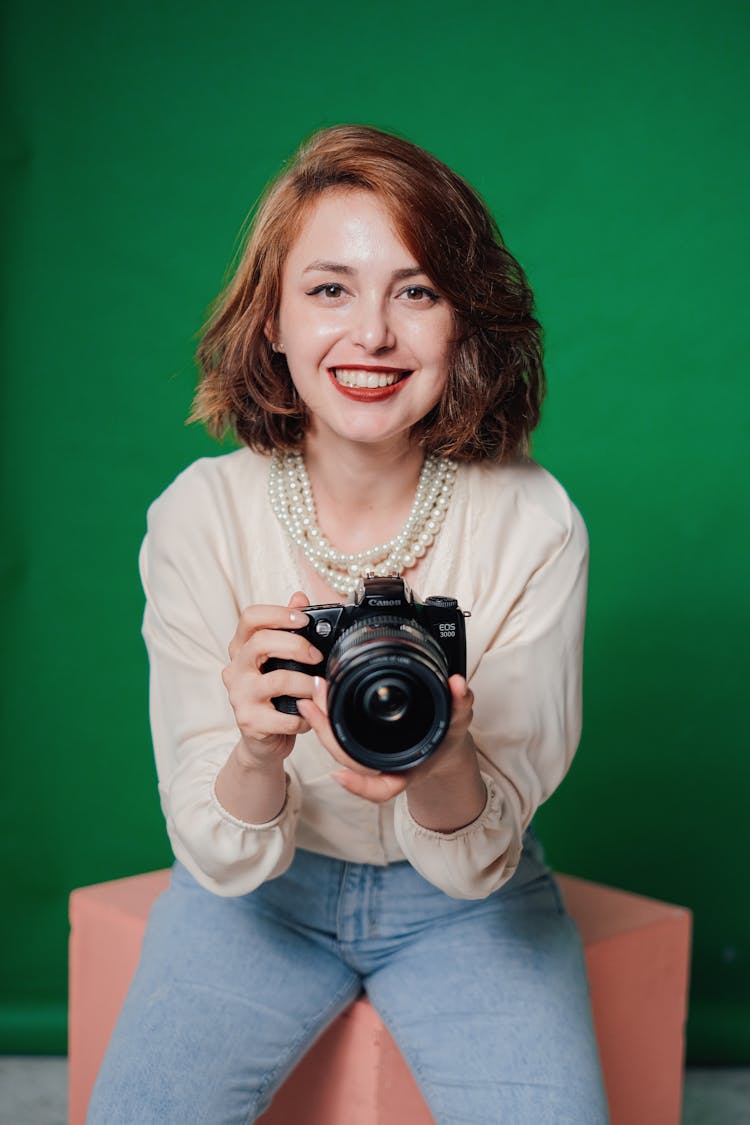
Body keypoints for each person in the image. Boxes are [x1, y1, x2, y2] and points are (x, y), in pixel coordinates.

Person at [88, 124, 610, 1124]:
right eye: (329, 289)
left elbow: (477, 855)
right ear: (273, 322)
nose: (371, 334)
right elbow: (217, 851)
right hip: (257, 903)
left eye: (416, 291)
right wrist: (253, 746)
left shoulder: (534, 522)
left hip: (472, 904)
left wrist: (445, 753)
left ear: (462, 320)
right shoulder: (200, 517)